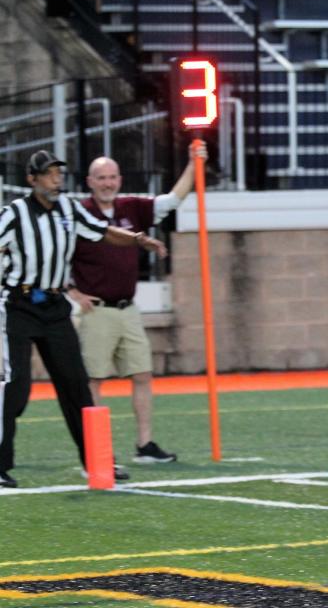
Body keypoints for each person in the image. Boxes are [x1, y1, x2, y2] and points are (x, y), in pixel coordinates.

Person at [0, 150, 167, 488]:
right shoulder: (14, 214)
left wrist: (137, 239)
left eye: (59, 173)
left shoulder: (68, 209)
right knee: (14, 389)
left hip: (54, 306)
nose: (57, 179)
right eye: (48, 174)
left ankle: (97, 462)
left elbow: (101, 231)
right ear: (32, 180)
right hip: (18, 304)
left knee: (77, 386)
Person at [67, 144, 206, 464]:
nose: (107, 183)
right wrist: (74, 292)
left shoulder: (132, 207)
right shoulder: (79, 213)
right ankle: (97, 450)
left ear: (120, 179)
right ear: (89, 181)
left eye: (112, 177)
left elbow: (173, 200)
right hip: (96, 310)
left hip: (128, 309)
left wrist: (192, 163)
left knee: (142, 373)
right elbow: (59, 256)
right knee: (94, 380)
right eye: (101, 177)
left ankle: (145, 445)